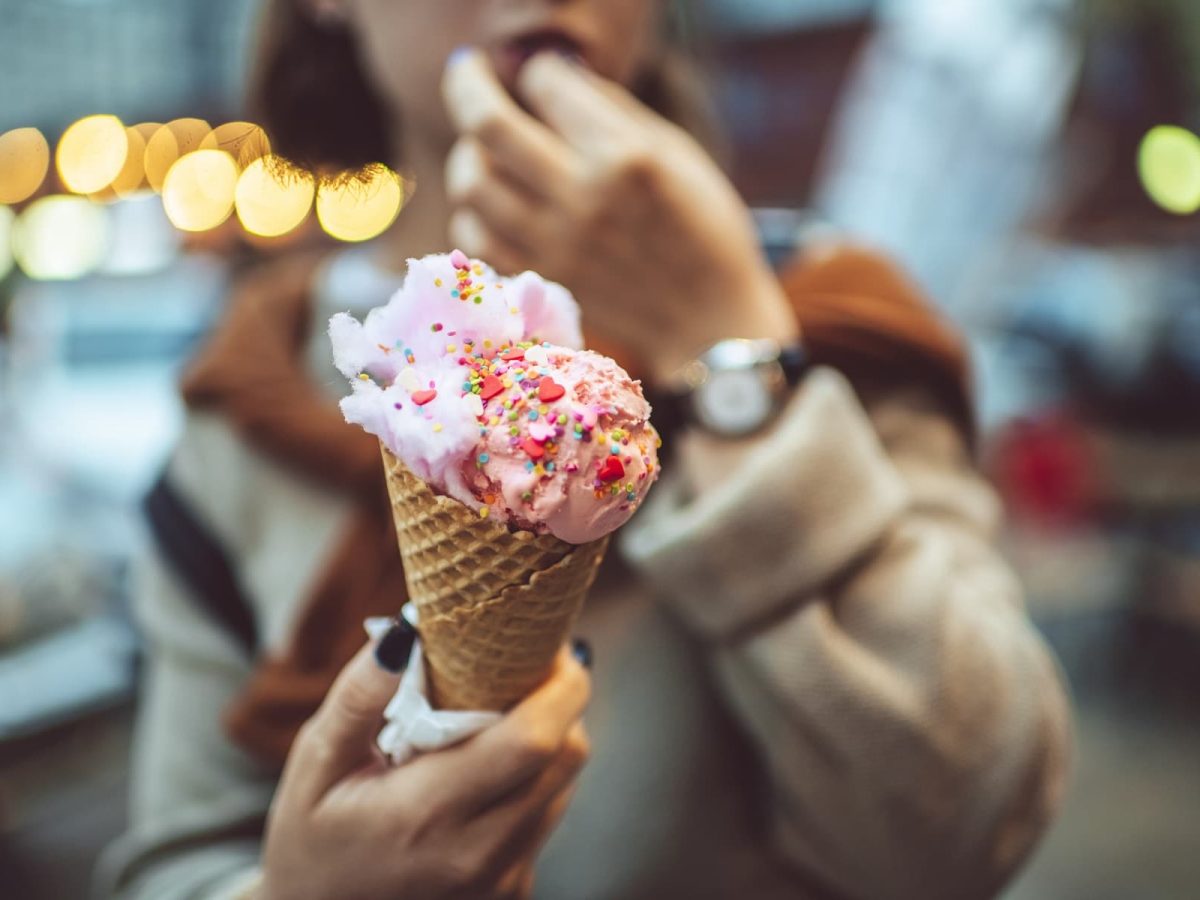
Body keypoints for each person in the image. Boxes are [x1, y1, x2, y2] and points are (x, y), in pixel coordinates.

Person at [96, 1, 1072, 898]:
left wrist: (726, 339)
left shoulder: (838, 322)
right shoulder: (247, 402)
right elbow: (173, 859)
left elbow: (974, 826)